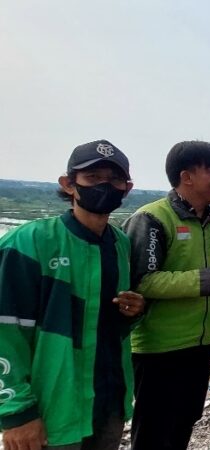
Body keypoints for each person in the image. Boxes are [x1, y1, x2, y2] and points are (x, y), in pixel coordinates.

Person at [0, 140, 144, 450]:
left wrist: (133, 313)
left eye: (114, 179)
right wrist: (15, 413)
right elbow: (5, 332)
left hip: (107, 404)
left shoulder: (118, 244)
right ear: (68, 184)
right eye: (93, 178)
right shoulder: (29, 243)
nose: (105, 186)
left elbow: (101, 324)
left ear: (127, 188)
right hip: (51, 412)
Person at [123, 141, 210, 450]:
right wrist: (209, 276)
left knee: (184, 421)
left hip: (201, 344)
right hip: (159, 348)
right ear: (186, 176)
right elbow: (143, 281)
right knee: (153, 428)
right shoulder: (151, 219)